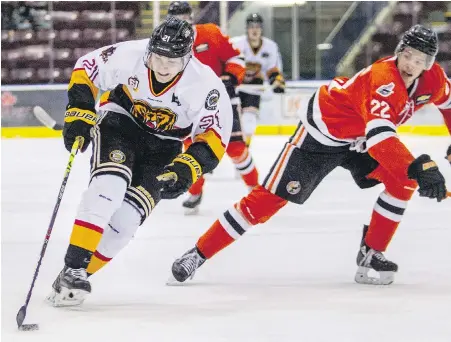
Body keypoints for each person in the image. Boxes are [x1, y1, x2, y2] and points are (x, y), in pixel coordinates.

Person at [170, 25, 451, 286]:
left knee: (403, 181)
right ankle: (197, 253)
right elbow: (381, 140)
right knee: (266, 201)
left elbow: (448, 103)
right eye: (408, 55)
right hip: (322, 133)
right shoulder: (384, 80)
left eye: (420, 59)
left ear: (429, 64)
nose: (411, 64)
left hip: (360, 137)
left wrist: (420, 166)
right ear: (399, 52)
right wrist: (419, 166)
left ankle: (371, 252)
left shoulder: (434, 80)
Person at [47, 17, 233, 306]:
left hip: (165, 147)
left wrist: (186, 169)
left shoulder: (206, 86)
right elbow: (88, 67)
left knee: (126, 222)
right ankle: (74, 265)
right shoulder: (130, 55)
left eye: (171, 61)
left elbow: (214, 136)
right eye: (157, 56)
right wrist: (79, 111)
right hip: (121, 125)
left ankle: (73, 278)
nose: (161, 65)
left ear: (188, 57)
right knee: (109, 186)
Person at [167, 1, 260, 214]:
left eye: (183, 15)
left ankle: (255, 190)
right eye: (175, 16)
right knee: (193, 150)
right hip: (190, 106)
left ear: (190, 17)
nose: (179, 20)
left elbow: (235, 57)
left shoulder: (210, 33)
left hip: (222, 101)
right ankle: (195, 192)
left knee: (236, 148)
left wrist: (231, 76)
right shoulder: (167, 45)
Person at [232, 13, 285, 146]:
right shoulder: (236, 44)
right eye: (251, 27)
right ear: (247, 29)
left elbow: (273, 70)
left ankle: (245, 147)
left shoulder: (270, 46)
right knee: (232, 120)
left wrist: (277, 81)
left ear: (261, 29)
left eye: (257, 27)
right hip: (236, 86)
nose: (254, 30)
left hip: (254, 88)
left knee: (249, 119)